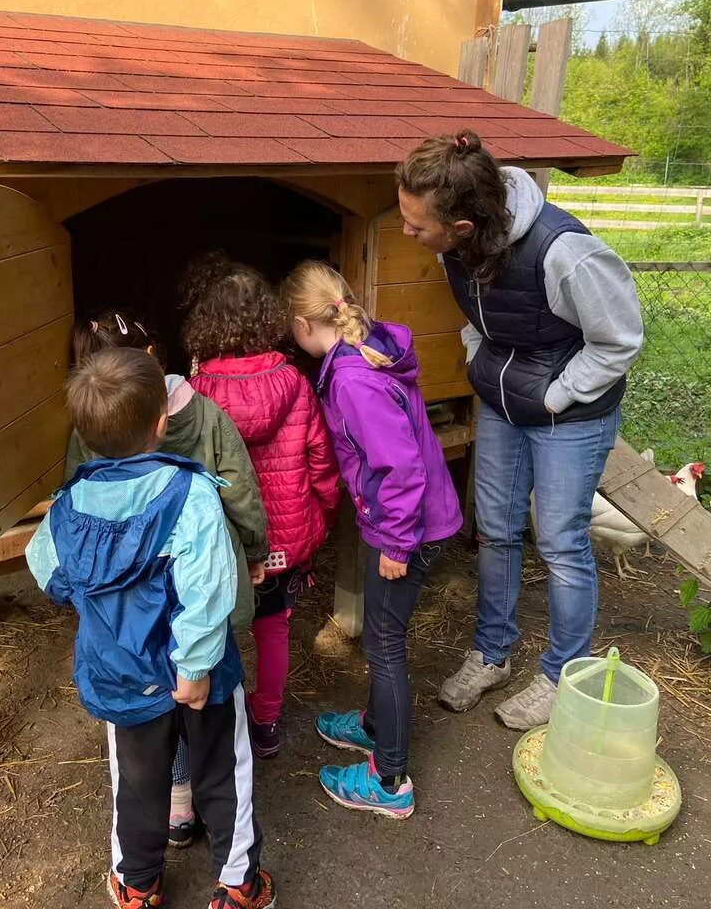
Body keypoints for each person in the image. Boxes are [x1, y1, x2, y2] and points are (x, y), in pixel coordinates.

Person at [395, 130, 643, 730]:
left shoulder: (564, 252)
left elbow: (620, 340)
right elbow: (479, 312)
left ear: (462, 227)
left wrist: (556, 395)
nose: (407, 233)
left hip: (569, 412)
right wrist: (479, 356)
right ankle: (492, 652)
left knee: (559, 541)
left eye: (415, 224)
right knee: (498, 530)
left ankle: (563, 674)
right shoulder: (455, 245)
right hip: (505, 400)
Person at [27, 348, 275, 909]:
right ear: (162, 422)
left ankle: (138, 885)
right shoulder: (190, 496)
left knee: (136, 786)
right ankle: (239, 887)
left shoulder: (69, 502)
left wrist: (97, 606)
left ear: (86, 437)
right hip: (200, 674)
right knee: (223, 774)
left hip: (121, 674)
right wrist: (193, 667)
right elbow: (210, 589)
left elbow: (46, 566)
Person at [283, 259, 462, 819]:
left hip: (409, 529)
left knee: (385, 646)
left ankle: (390, 778)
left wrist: (397, 544)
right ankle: (373, 725)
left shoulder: (355, 381)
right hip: (401, 523)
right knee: (383, 635)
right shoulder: (364, 352)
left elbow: (401, 468)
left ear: (301, 323)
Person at [184, 254, 341, 759]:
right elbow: (322, 459)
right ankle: (267, 721)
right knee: (274, 627)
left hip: (225, 545)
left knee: (218, 626)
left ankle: (219, 723)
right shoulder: (294, 382)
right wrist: (322, 518)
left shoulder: (197, 393)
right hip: (284, 541)